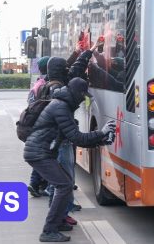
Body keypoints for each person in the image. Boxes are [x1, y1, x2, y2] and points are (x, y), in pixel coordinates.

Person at [24, 78, 116, 242]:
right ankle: (48, 231)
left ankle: (57, 222)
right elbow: (77, 137)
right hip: (38, 153)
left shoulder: (63, 105)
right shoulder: (61, 107)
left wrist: (101, 140)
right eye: (82, 95)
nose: (83, 99)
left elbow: (73, 138)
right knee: (64, 185)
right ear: (76, 93)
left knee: (64, 183)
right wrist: (101, 133)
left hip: (43, 152)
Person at [27, 56, 52, 197]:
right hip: (44, 124)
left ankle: (36, 183)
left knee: (42, 155)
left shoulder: (37, 83)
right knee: (47, 156)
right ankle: (37, 183)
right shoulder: (46, 84)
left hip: (35, 123)